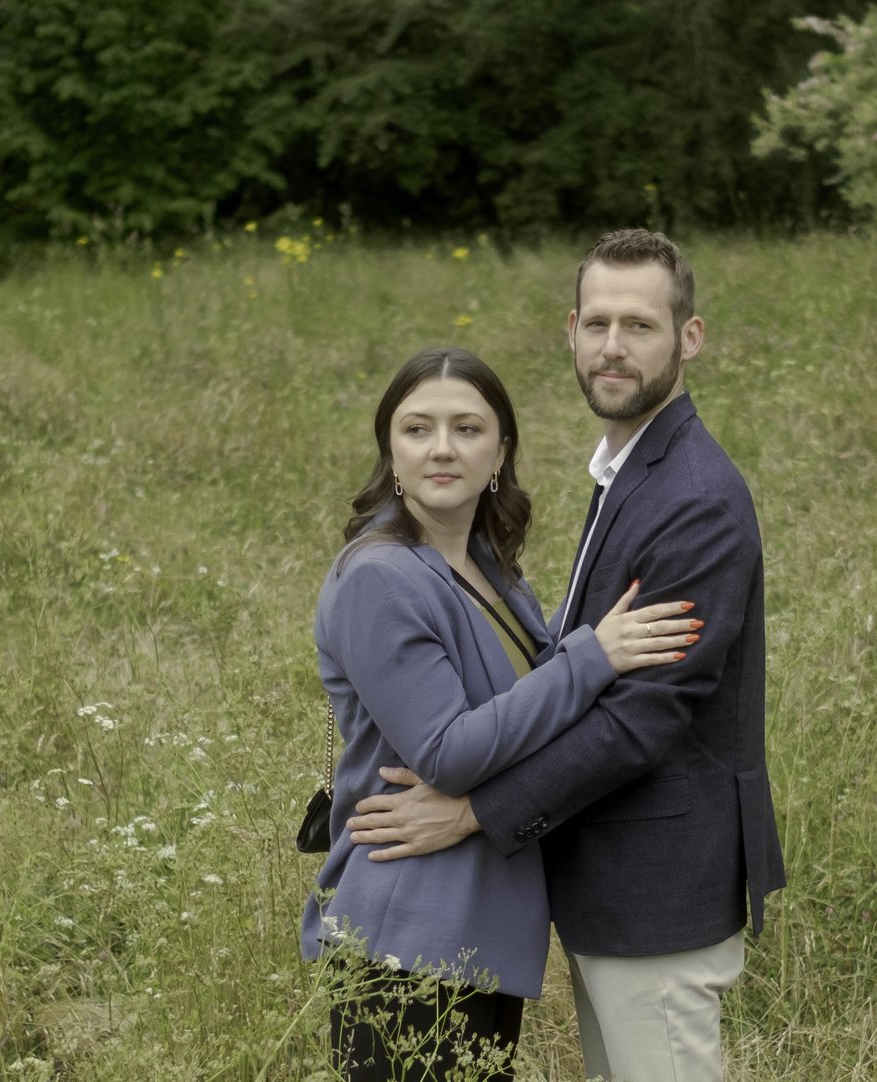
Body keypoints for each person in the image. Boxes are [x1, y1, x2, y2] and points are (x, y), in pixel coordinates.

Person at [345, 230, 785, 1082]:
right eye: (598, 324)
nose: (613, 348)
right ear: (571, 331)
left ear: (689, 338)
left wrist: (473, 814)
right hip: (610, 883)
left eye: (641, 326)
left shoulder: (693, 496)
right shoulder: (629, 469)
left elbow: (642, 721)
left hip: (657, 891)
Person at [305, 345, 703, 1080]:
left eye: (467, 428)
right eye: (418, 430)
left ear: (501, 452)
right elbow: (449, 753)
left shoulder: (489, 569)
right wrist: (594, 656)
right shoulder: (380, 578)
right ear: (390, 451)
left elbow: (532, 714)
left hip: (474, 927)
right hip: (408, 928)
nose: (442, 449)